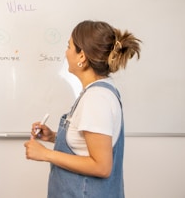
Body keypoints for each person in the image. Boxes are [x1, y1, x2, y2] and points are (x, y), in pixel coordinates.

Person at [24, 20, 141, 198]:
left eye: (69, 46)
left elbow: (101, 166)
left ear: (82, 57)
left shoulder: (97, 99)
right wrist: (53, 137)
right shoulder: (97, 92)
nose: (66, 52)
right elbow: (88, 146)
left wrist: (46, 154)